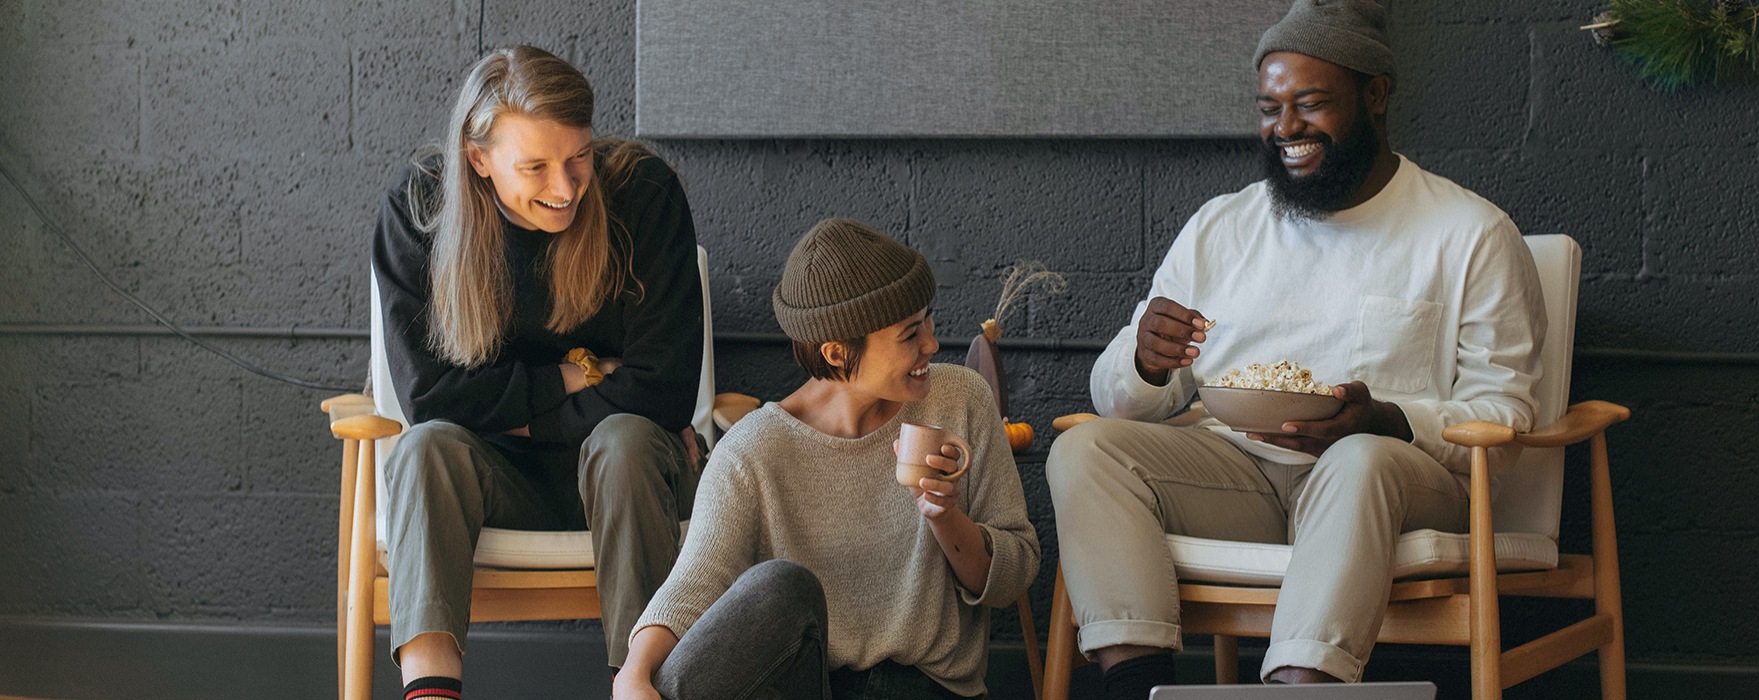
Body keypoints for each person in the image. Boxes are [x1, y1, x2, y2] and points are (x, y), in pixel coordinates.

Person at [1045, 1, 1547, 696]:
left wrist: (1391, 421)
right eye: (1269, 107)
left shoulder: (1470, 233)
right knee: (1086, 448)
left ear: (1375, 96)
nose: (1286, 130)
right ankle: (1136, 687)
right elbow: (1117, 398)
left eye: (1310, 104)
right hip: (1239, 471)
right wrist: (1147, 361)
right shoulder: (1222, 226)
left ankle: (1298, 687)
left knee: (1360, 456)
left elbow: (1506, 414)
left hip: (1395, 481)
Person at [371, 45, 704, 699]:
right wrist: (578, 375)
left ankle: (636, 686)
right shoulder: (420, 208)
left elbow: (664, 388)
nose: (565, 186)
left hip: (630, 481)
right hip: (499, 482)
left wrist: (509, 414)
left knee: (627, 440)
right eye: (535, 166)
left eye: (578, 156)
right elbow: (429, 396)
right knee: (425, 448)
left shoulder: (643, 193)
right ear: (479, 160)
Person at [613, 218, 1041, 700]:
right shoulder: (752, 451)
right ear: (837, 353)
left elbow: (1014, 576)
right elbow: (694, 585)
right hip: (813, 688)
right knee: (778, 587)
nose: (932, 344)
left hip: (932, 687)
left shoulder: (960, 400)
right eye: (909, 334)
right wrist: (633, 674)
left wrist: (946, 518)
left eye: (928, 320)